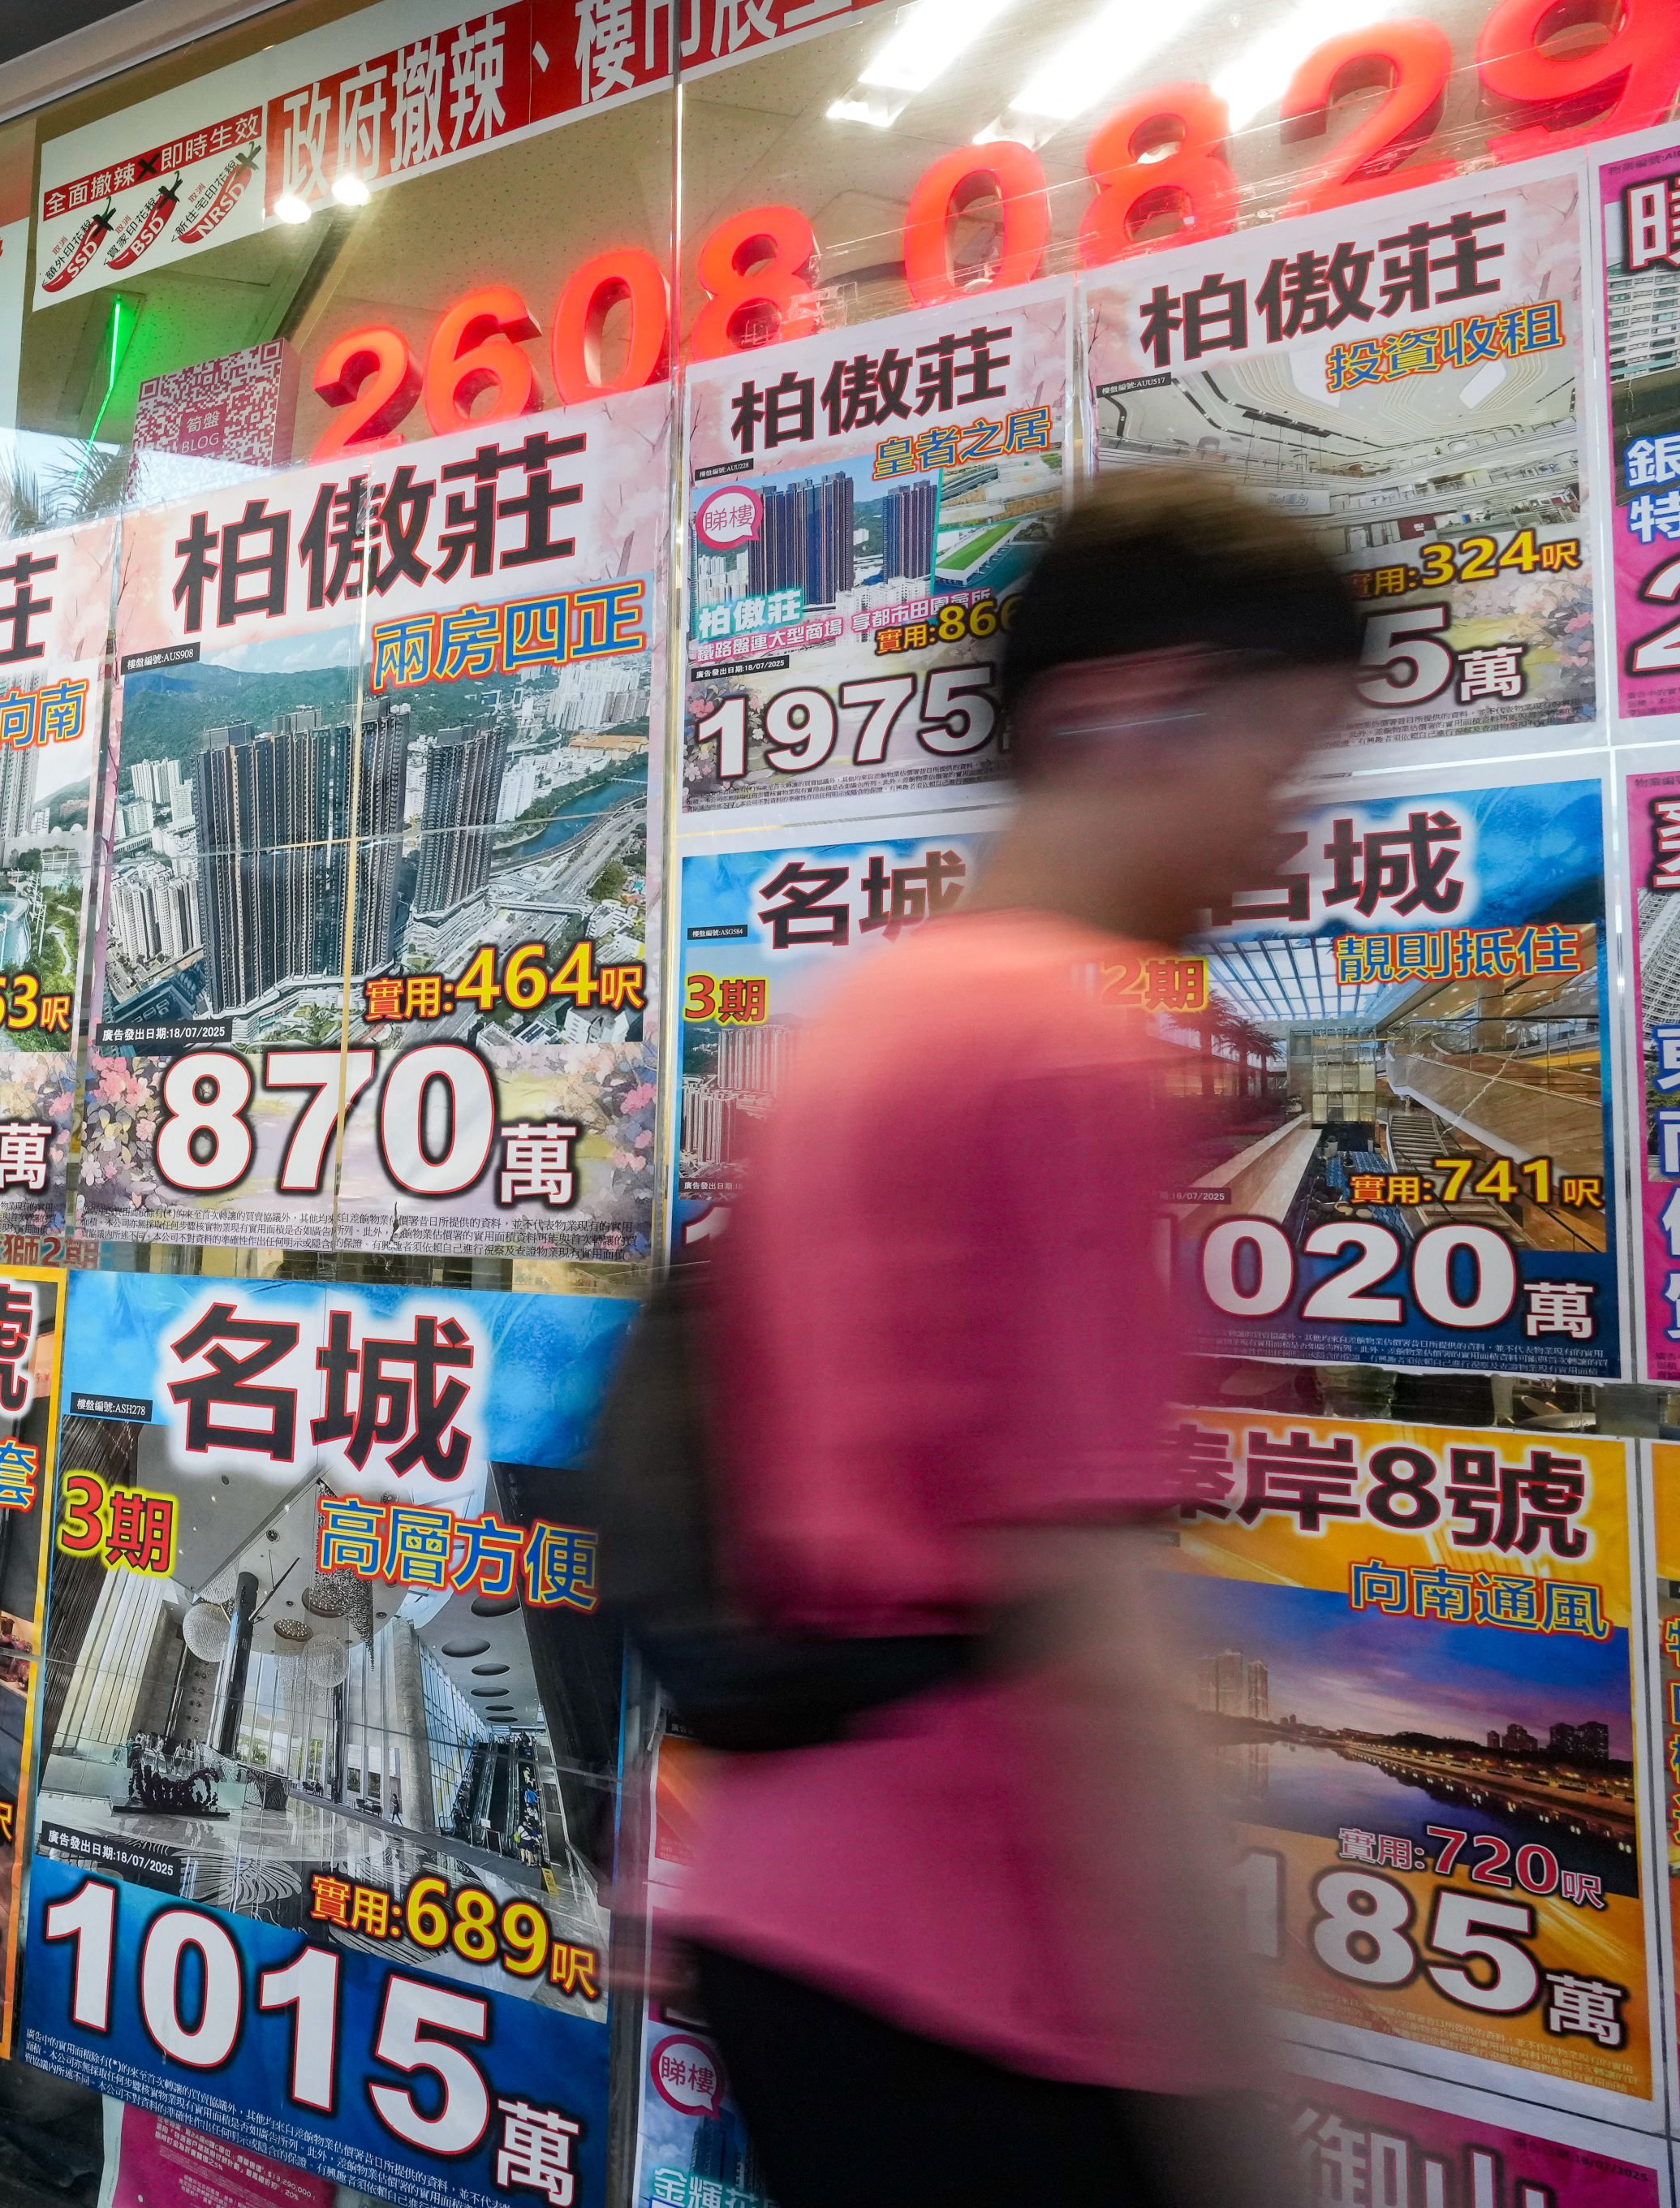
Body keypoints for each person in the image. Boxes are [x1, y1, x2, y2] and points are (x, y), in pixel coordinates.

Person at [670, 476, 1364, 2208]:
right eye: (1274, 769)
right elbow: (1101, 1637)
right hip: (982, 1969)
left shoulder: (866, 1014)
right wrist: (1252, 2129)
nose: (1280, 834)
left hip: (779, 1914)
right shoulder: (1072, 1049)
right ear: (1120, 715)